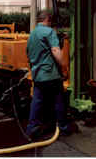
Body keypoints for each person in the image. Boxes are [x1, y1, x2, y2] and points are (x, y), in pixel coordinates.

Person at [26, 10, 72, 139]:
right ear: (47, 20)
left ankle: (31, 128)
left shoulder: (32, 34)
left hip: (38, 74)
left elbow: (28, 53)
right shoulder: (49, 32)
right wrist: (64, 66)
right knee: (58, 100)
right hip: (50, 74)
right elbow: (55, 50)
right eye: (50, 21)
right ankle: (63, 127)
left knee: (37, 101)